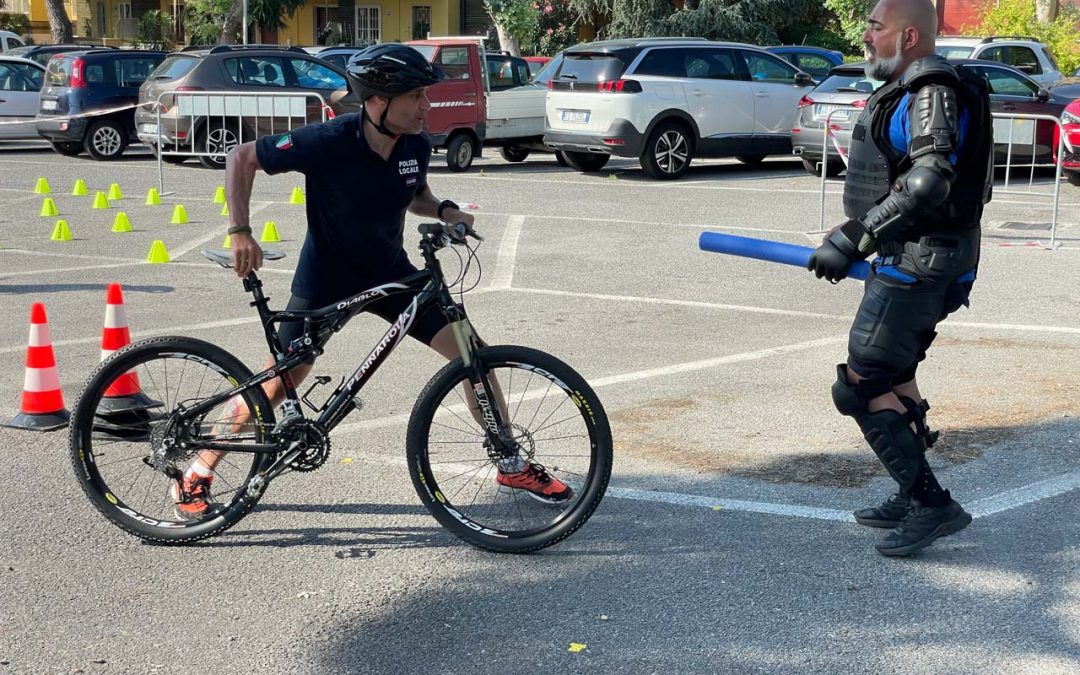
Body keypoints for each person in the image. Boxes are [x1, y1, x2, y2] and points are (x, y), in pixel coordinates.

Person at [170, 44, 572, 520]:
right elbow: (240, 158)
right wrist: (240, 231)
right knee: (283, 378)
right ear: (379, 101)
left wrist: (445, 211)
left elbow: (416, 193)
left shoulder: (416, 145)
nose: (427, 106)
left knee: (471, 351)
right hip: (327, 276)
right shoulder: (329, 140)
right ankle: (198, 469)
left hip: (390, 272)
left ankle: (509, 461)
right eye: (417, 96)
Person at [807, 0, 993, 556]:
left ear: (909, 35)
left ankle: (932, 505)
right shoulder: (910, 84)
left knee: (862, 386)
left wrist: (851, 238)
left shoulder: (931, 88)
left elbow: (929, 180)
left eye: (875, 26)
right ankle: (913, 493)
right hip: (910, 255)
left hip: (920, 261)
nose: (866, 35)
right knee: (896, 378)